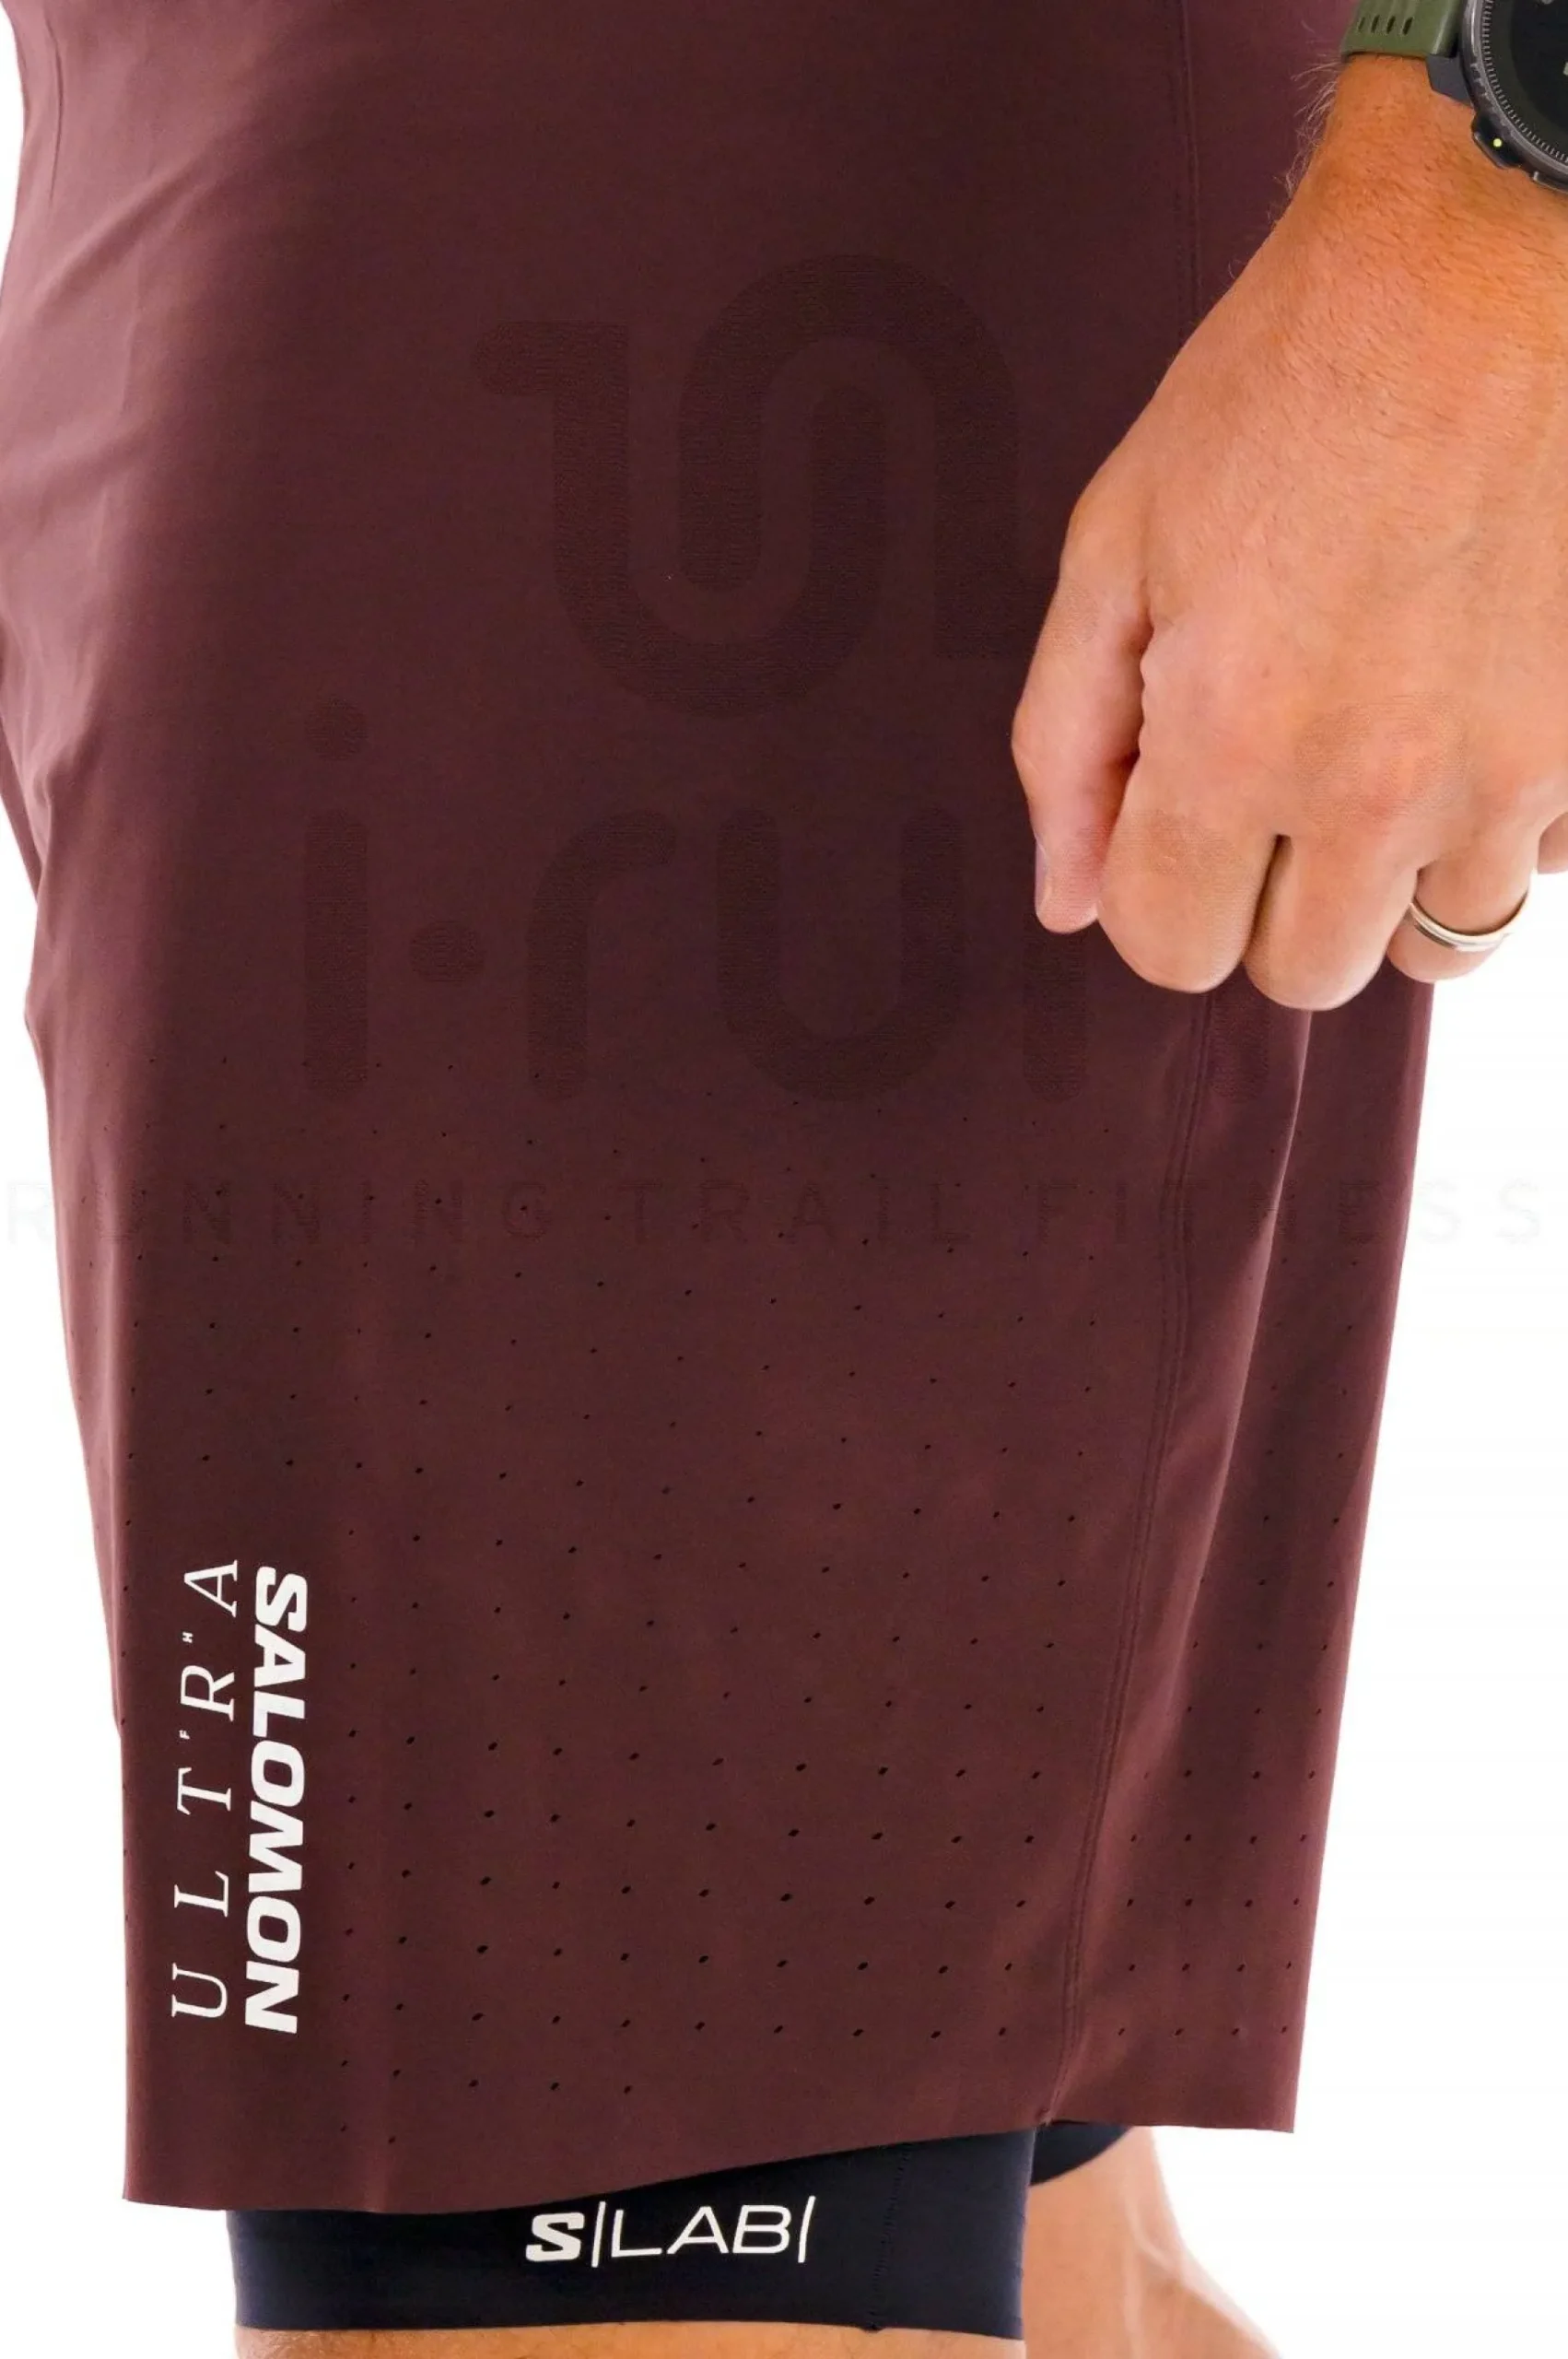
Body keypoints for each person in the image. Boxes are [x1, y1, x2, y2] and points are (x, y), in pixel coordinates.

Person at [0, 4, 1560, 2353]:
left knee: (562, 2199)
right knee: (1012, 2231)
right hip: (238, 165)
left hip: (719, 214)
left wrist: (1493, 195)